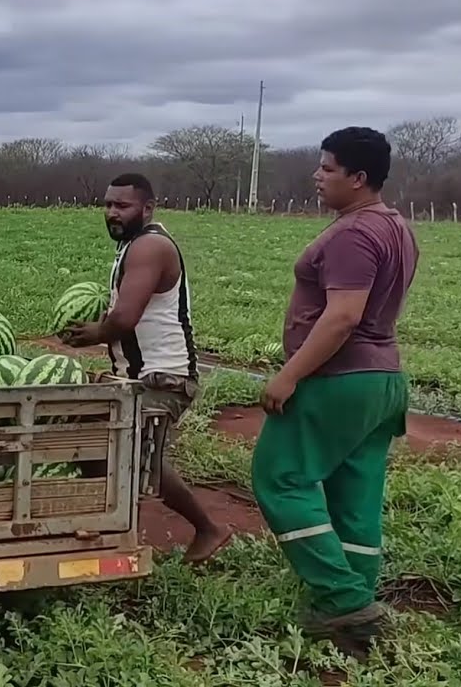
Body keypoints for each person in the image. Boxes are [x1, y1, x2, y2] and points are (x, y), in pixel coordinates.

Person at [251, 127, 418, 658]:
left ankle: (345, 599)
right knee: (355, 497)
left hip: (338, 379)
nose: (317, 176)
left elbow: (343, 316)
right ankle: (351, 618)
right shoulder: (397, 227)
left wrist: (290, 374)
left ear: (358, 177)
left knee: (280, 478)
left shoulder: (353, 233)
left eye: (327, 168)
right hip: (382, 381)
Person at [59, 172, 232, 564]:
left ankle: (207, 528)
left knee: (134, 455)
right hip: (134, 378)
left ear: (148, 207)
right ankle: (102, 524)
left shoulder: (150, 247)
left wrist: (92, 333)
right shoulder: (133, 245)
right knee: (100, 447)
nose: (111, 213)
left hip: (163, 377)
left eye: (122, 206)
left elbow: (123, 320)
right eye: (107, 205)